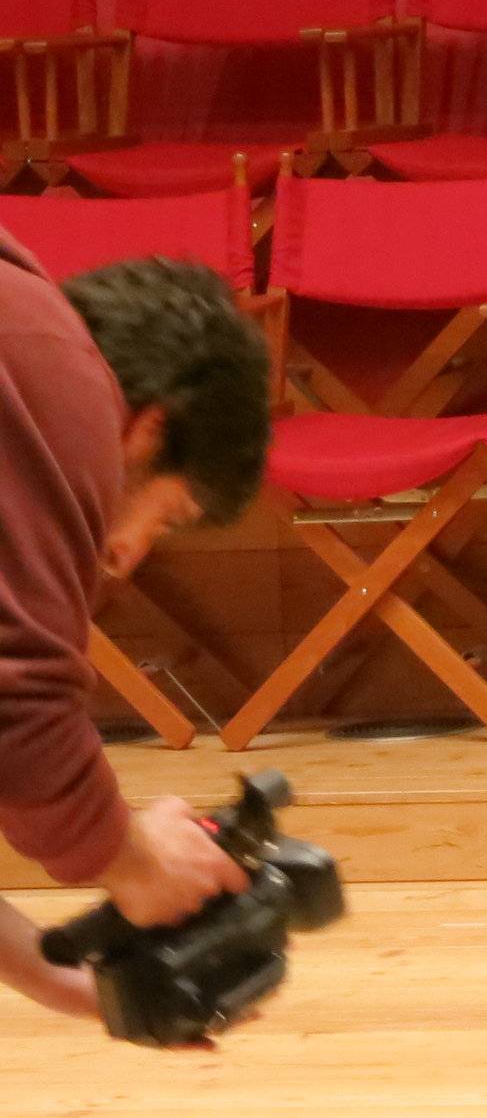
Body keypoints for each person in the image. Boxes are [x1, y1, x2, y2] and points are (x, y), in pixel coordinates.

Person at [0, 246, 274, 1025]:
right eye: (168, 513)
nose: (125, 554)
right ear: (149, 428)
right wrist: (133, 858)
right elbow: (17, 704)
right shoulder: (60, 376)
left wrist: (72, 986)